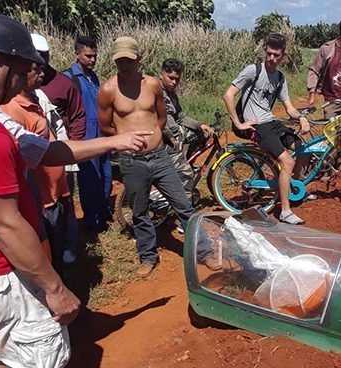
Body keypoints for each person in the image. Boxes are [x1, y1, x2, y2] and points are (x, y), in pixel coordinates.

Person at [0, 13, 89, 368]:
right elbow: (4, 224)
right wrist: (54, 289)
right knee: (32, 365)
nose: (24, 82)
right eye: (20, 71)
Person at [98, 36, 221, 277]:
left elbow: (161, 117)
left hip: (159, 156)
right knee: (140, 211)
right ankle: (148, 256)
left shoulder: (153, 85)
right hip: (132, 161)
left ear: (139, 59)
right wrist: (127, 140)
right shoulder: (108, 90)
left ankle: (204, 252)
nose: (124, 66)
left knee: (184, 205)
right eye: (119, 61)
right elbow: (105, 127)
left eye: (128, 61)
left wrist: (154, 137)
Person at [223, 33, 311, 225]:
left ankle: (292, 189)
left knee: (304, 150)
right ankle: (285, 211)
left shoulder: (280, 78)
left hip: (271, 122)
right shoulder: (253, 70)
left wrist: (302, 117)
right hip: (257, 126)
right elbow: (228, 95)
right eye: (269, 53)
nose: (271, 58)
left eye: (276, 55)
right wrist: (238, 123)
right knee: (287, 162)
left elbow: (289, 108)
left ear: (283, 56)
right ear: (265, 51)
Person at [0, 61, 72, 277]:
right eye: (36, 70)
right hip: (42, 200)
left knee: (58, 253)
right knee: (46, 259)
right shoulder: (11, 108)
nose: (42, 74)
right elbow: (36, 154)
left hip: (56, 192)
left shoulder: (37, 98)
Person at [33, 33, 86, 264]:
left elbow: (77, 117)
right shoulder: (15, 91)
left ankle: (68, 252)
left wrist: (70, 150)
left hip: (60, 157)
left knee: (64, 205)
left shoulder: (63, 83)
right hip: (34, 163)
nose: (41, 63)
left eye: (44, 57)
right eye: (36, 58)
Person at [64, 35, 111, 232]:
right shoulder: (69, 78)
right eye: (88, 56)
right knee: (89, 178)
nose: (92, 60)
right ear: (77, 55)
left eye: (95, 56)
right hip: (85, 133)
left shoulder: (93, 76)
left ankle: (103, 210)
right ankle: (92, 220)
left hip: (101, 131)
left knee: (106, 174)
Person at [160, 58, 214, 201]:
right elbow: (157, 119)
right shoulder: (156, 92)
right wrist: (169, 135)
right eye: (170, 78)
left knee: (202, 133)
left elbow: (181, 116)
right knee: (186, 175)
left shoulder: (172, 94)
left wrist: (199, 125)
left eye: (177, 79)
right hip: (166, 139)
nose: (174, 82)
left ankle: (187, 161)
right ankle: (184, 210)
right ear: (161, 74)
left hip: (175, 134)